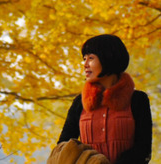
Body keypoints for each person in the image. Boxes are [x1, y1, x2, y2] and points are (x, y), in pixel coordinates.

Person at [57, 34, 152, 164]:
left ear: (108, 58)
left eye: (91, 58)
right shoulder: (80, 102)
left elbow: (143, 149)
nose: (85, 64)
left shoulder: (137, 100)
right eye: (84, 59)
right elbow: (63, 147)